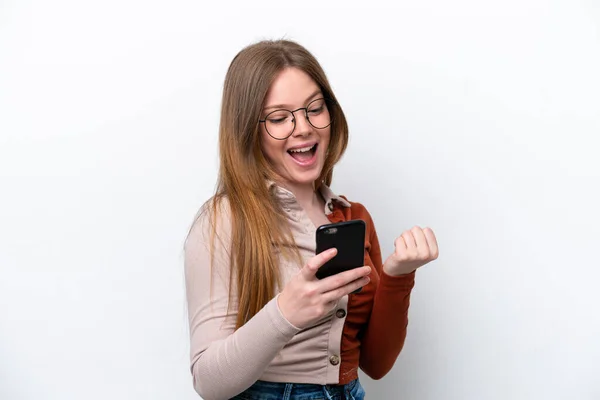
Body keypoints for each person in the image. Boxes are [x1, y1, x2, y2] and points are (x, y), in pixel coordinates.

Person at [184, 39, 439, 400]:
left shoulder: (353, 217)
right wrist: (285, 312)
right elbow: (209, 383)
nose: (303, 128)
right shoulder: (224, 221)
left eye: (314, 109)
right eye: (278, 118)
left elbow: (377, 364)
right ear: (247, 130)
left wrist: (398, 276)